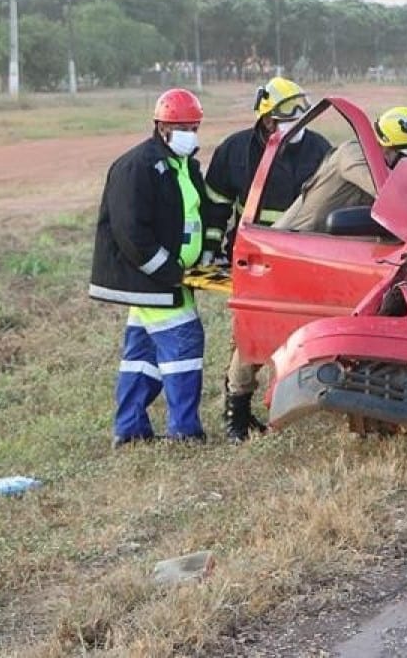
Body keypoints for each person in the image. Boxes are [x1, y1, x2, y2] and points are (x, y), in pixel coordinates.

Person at [204, 77, 333, 441]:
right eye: (287, 116)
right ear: (267, 120)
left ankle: (282, 400)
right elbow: (216, 205)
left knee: (298, 331)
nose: (298, 124)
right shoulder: (236, 151)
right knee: (250, 337)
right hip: (258, 259)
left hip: (306, 258)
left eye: (301, 115)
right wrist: (213, 250)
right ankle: (237, 417)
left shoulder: (318, 148)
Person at [89, 88, 210, 446]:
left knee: (141, 356)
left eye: (194, 126)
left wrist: (202, 256)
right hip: (152, 279)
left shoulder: (185, 165)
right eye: (182, 126)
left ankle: (129, 429)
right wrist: (169, 272)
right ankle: (185, 432)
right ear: (161, 127)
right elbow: (131, 233)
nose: (190, 133)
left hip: (173, 276)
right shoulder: (136, 167)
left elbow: (191, 216)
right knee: (185, 345)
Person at [274, 105, 407, 232]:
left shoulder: (378, 163)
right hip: (287, 247)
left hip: (325, 247)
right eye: (406, 157)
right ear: (389, 149)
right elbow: (393, 194)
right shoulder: (353, 154)